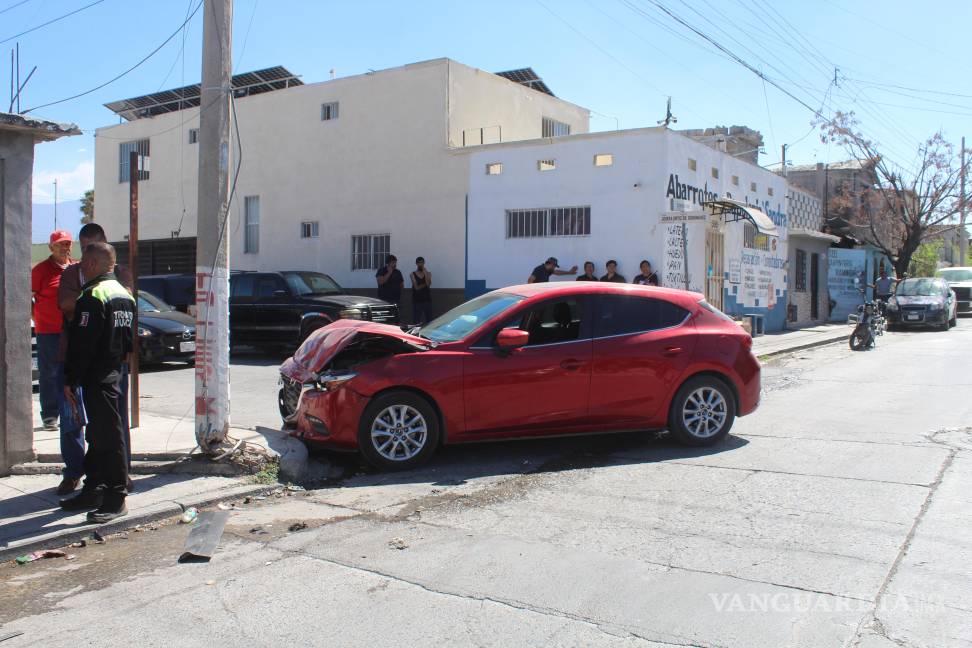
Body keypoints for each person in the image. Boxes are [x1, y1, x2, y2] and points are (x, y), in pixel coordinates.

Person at [59, 243, 136, 523]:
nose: (79, 270)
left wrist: (71, 379)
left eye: (82, 265)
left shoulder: (92, 296)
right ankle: (94, 489)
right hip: (115, 371)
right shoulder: (125, 295)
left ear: (91, 264)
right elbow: (129, 342)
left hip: (97, 376)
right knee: (98, 434)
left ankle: (116, 498)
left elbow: (82, 346)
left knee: (109, 435)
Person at [32, 231, 74, 432]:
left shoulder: (76, 268)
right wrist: (36, 318)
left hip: (73, 331)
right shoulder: (40, 270)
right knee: (49, 373)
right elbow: (28, 297)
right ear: (51, 248)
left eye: (67, 244)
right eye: (60, 245)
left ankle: (74, 410)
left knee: (73, 371)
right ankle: (50, 415)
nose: (65, 248)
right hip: (48, 331)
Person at [410, 257, 433, 325]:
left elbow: (428, 285)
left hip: (427, 300)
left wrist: (425, 274)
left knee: (429, 320)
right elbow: (416, 287)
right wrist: (425, 284)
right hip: (417, 300)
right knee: (416, 320)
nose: (421, 264)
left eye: (422, 263)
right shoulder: (412, 274)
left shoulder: (428, 273)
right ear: (416, 264)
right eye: (419, 263)